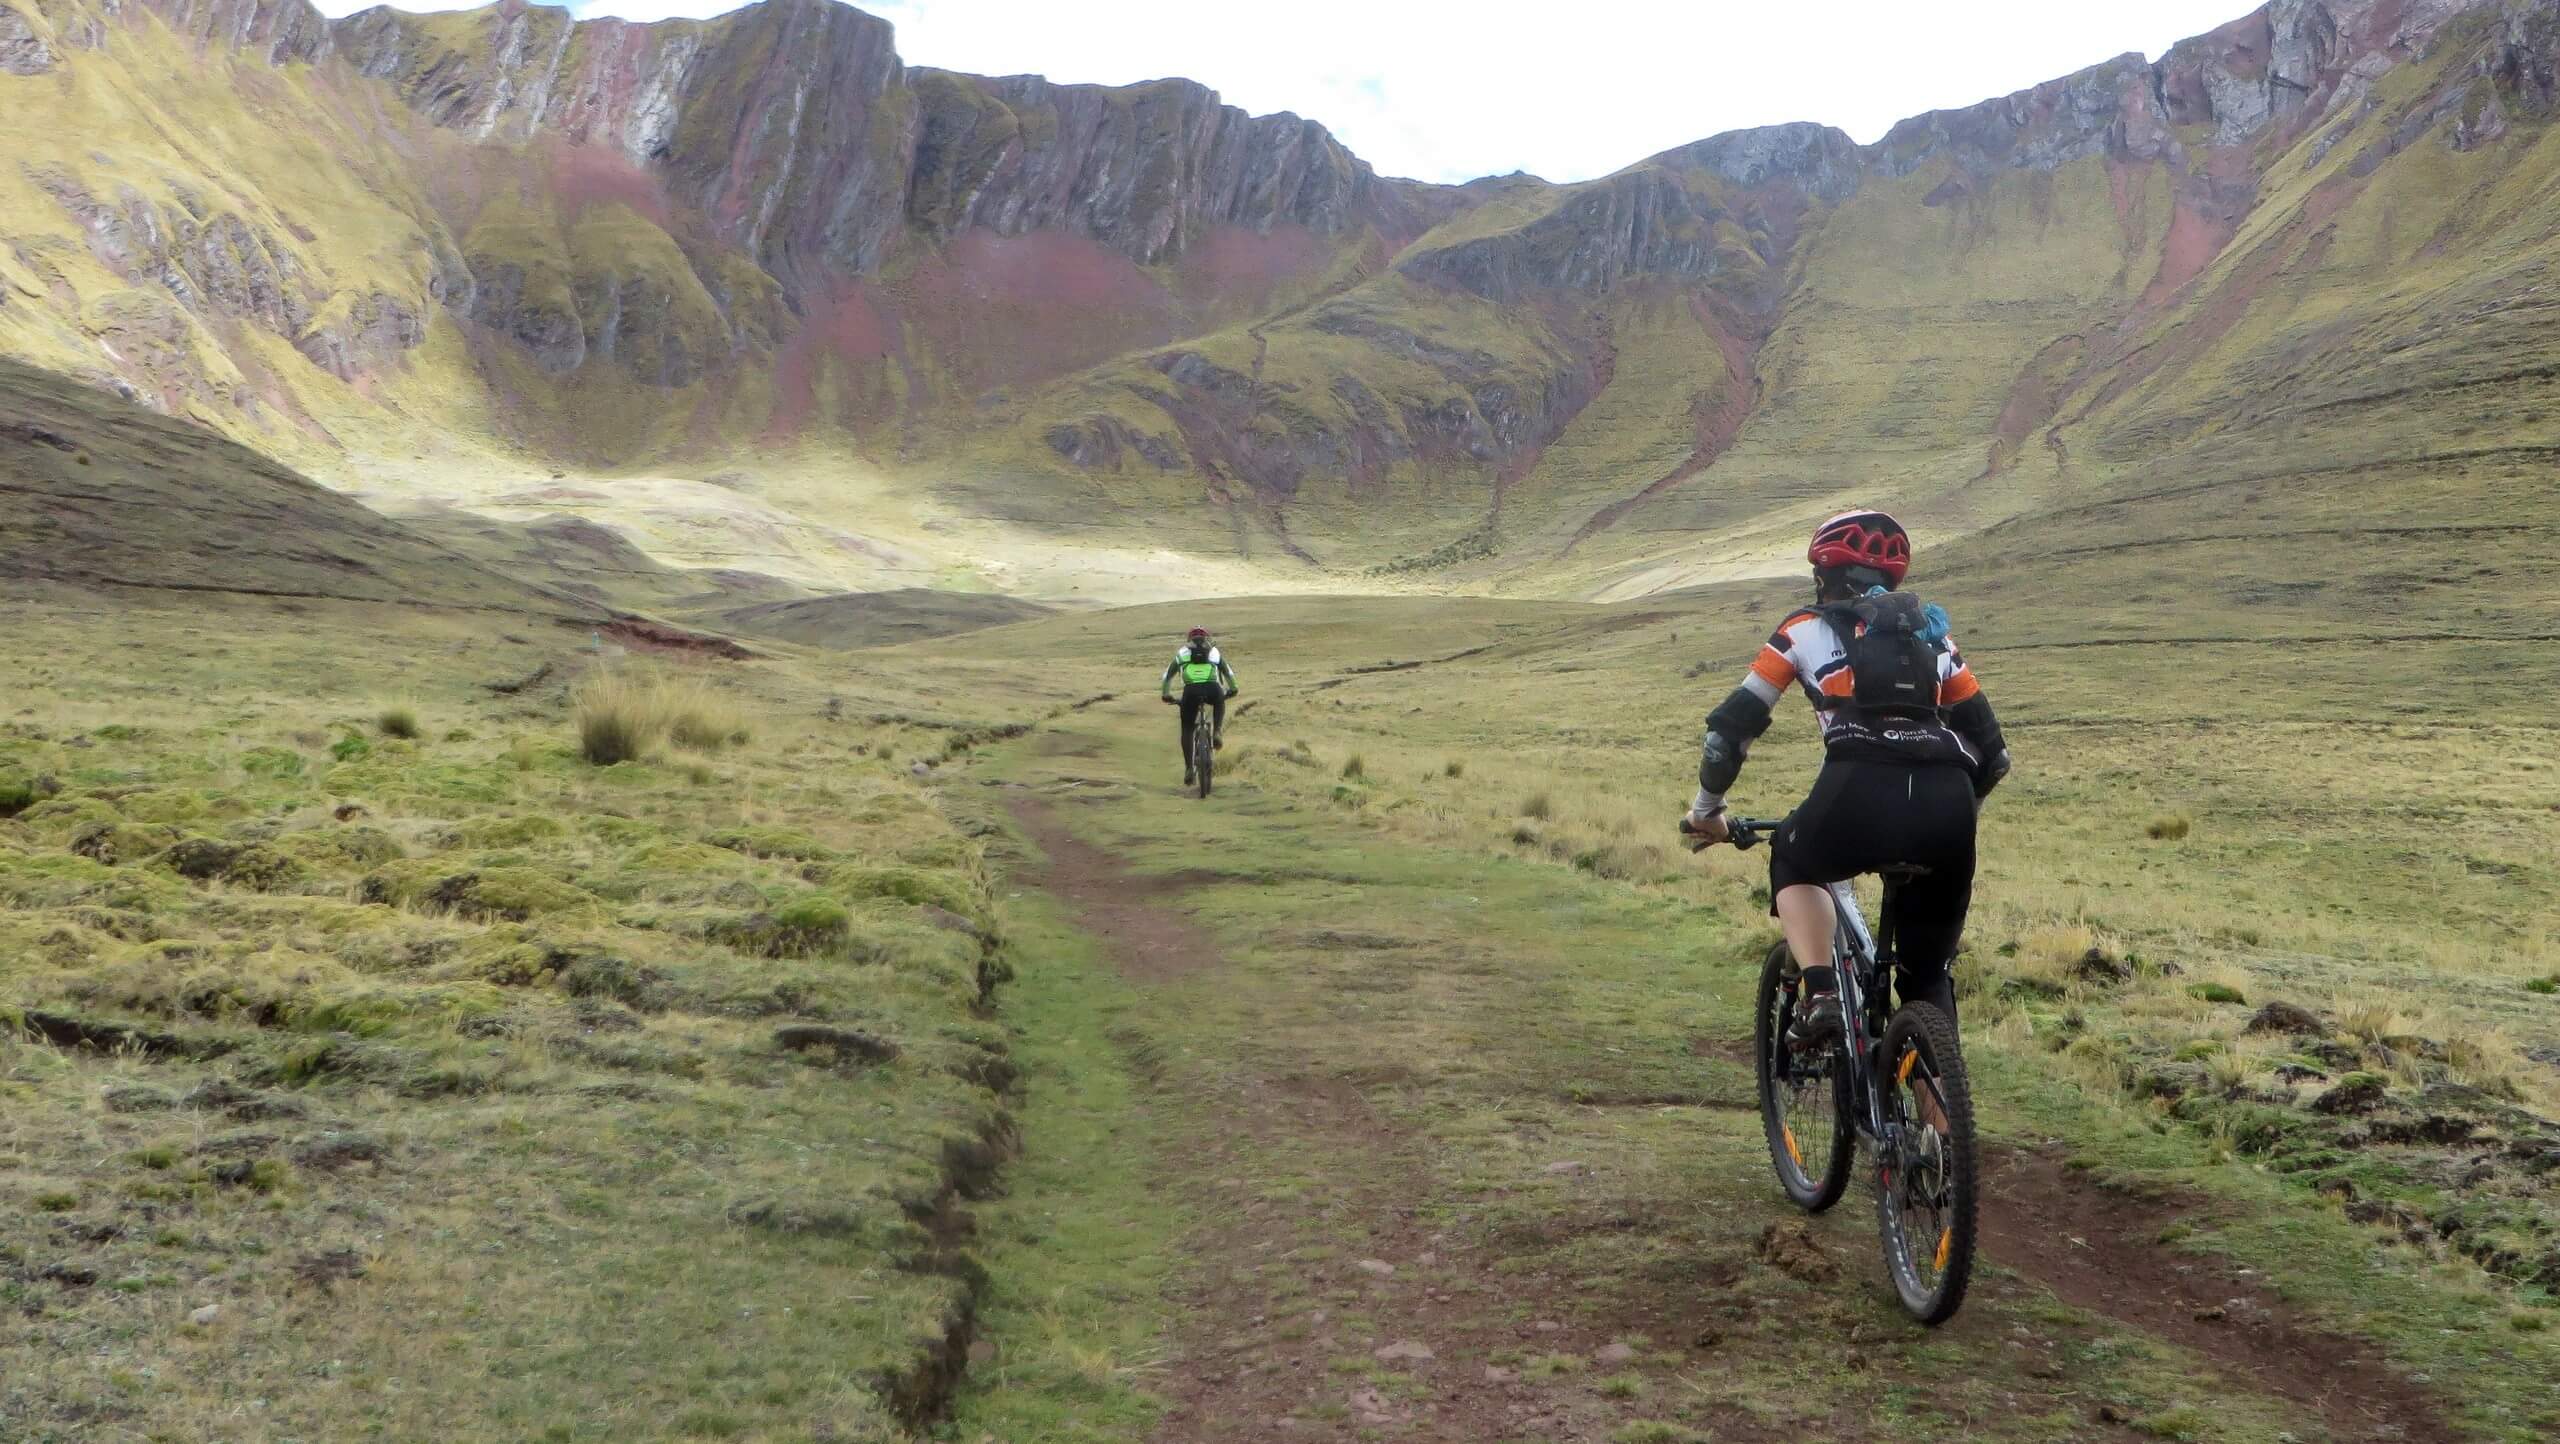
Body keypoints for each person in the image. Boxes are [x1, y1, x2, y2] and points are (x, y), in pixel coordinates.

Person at [1682, 510, 2010, 1050]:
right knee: (1927, 981)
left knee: (1793, 856)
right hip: (1947, 806)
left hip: (1856, 789)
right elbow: (1994, 758)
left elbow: (1728, 734)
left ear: (1823, 576)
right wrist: (1948, 818)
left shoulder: (1802, 629)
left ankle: (1822, 996)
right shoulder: (1935, 638)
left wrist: (1707, 809)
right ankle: (1942, 1132)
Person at [1159, 626, 1238, 785]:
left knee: (1187, 728)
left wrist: (1166, 694)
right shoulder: (1214, 652)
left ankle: (1189, 769)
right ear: (1206, 639)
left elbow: (1167, 676)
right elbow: (1228, 673)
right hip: (1212, 689)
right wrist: (1233, 689)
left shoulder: (1182, 653)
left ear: (1189, 640)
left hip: (1191, 692)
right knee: (1219, 703)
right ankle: (1216, 732)